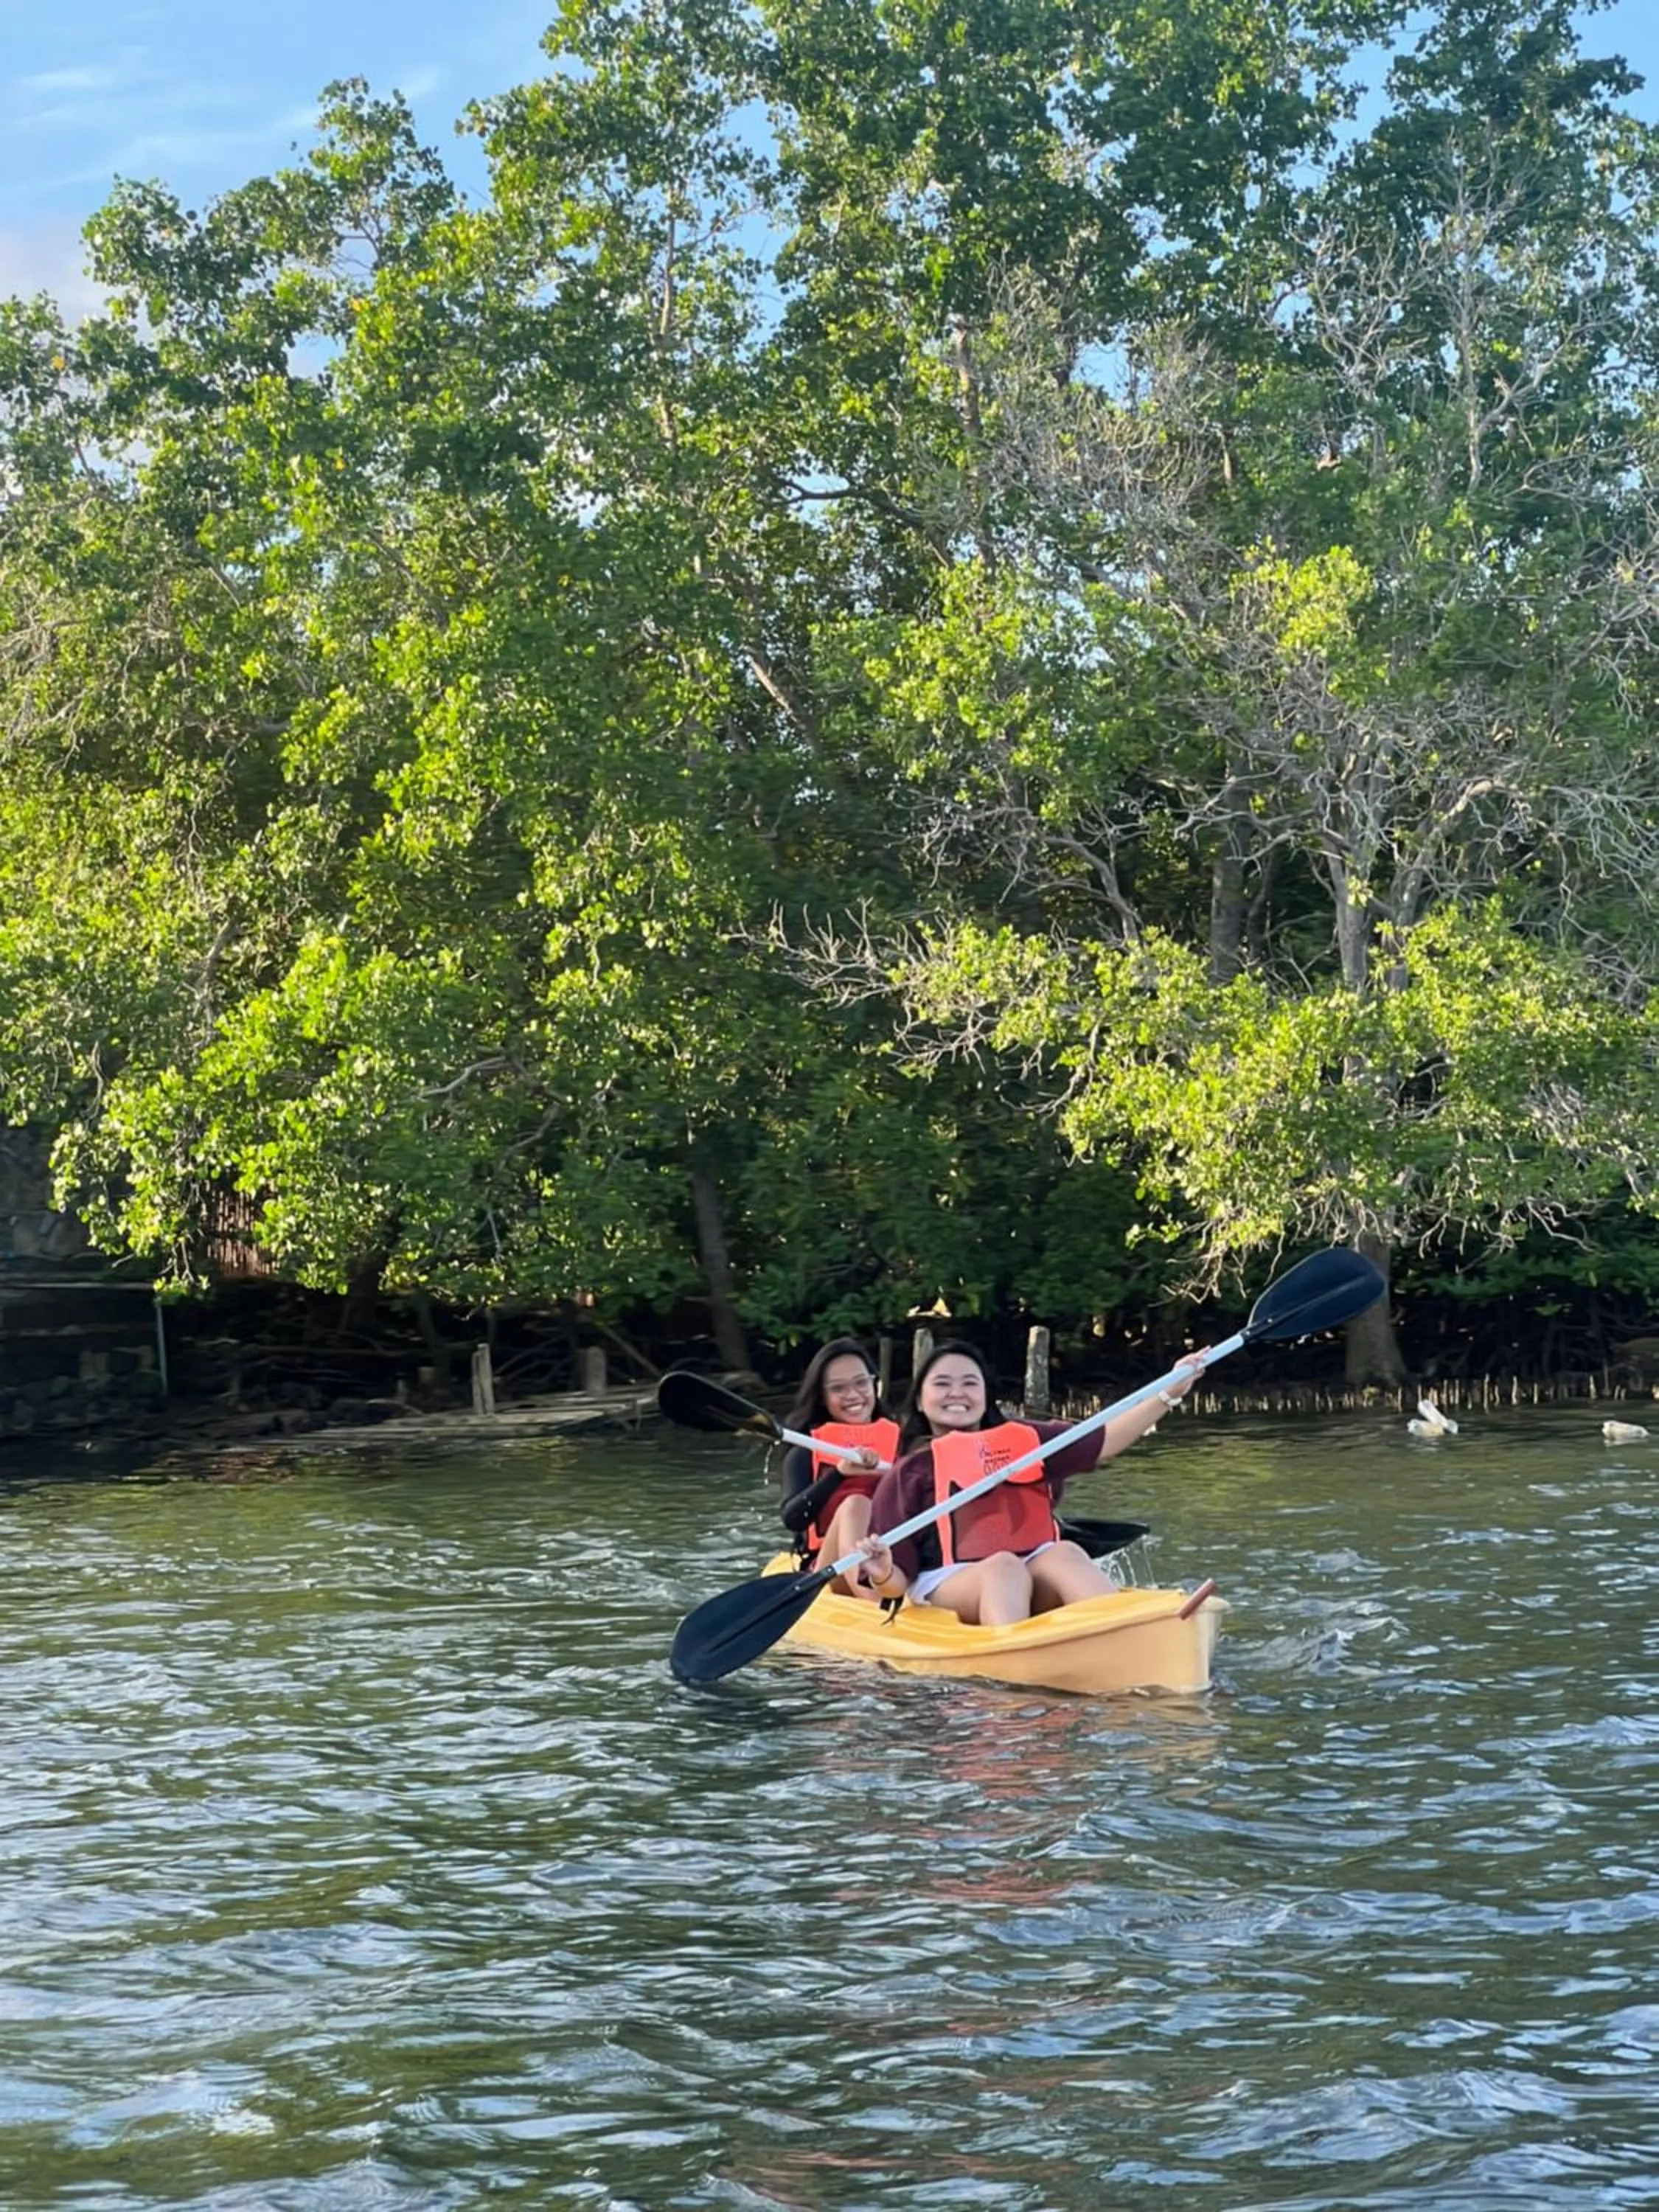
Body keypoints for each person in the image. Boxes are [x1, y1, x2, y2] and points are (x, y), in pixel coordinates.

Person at [852, 1338, 1208, 1626]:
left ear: (986, 1395)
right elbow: (895, 1586)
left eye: (969, 1383)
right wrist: (883, 1571)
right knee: (1003, 1567)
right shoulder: (910, 1472)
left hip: (1032, 1566)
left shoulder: (1028, 1440)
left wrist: (1169, 1393)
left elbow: (1107, 1439)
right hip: (949, 1583)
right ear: (920, 1400)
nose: (957, 1393)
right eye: (942, 1384)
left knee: (1065, 1552)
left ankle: (1127, 1634)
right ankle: (1010, 1672)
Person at [776, 1337, 901, 1591]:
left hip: (895, 1559)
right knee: (856, 1504)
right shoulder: (805, 1450)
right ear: (822, 1397)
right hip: (829, 1568)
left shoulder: (903, 1441)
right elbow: (793, 1519)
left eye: (861, 1383)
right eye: (838, 1389)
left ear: (874, 1385)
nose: (853, 1395)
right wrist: (839, 1474)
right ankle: (875, 1599)